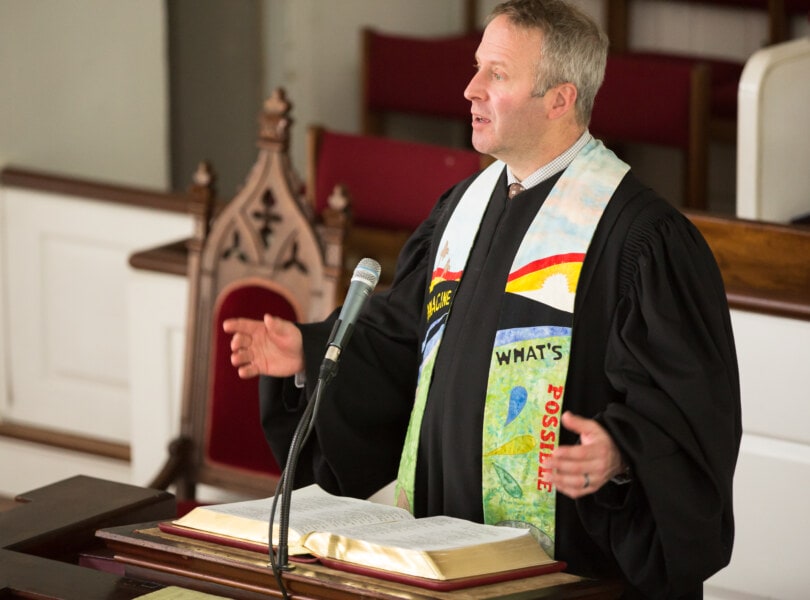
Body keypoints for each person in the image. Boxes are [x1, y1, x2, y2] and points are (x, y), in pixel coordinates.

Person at [224, 1, 741, 597]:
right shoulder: (461, 210)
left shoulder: (640, 240)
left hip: (572, 572)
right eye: (476, 68)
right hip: (443, 556)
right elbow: (402, 344)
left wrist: (623, 453)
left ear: (560, 98)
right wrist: (315, 352)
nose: (470, 89)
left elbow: (691, 408)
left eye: (496, 75)